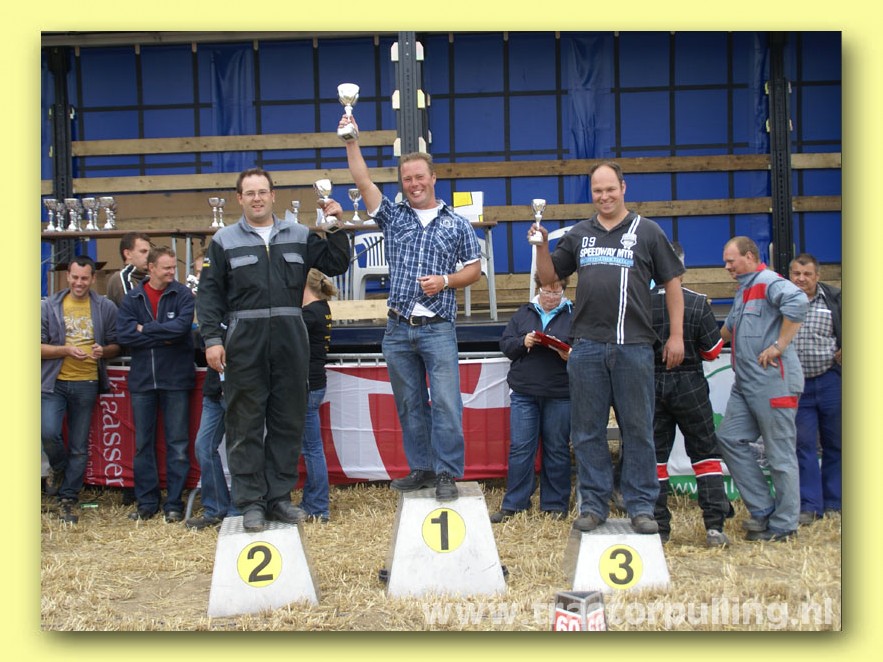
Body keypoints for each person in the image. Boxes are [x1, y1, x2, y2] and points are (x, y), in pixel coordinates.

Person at [534, 161, 685, 535]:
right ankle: (594, 505)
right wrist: (541, 246)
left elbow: (673, 284)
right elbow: (549, 277)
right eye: (597, 191)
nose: (604, 197)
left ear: (623, 188)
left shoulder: (647, 231)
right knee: (587, 432)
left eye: (610, 189)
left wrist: (677, 336)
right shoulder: (580, 233)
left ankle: (641, 506)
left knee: (638, 431)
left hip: (634, 346)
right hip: (586, 347)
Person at [196, 167, 350, 533]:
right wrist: (212, 339)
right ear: (240, 198)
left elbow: (336, 263)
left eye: (262, 192)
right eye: (250, 193)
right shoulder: (224, 241)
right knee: (245, 423)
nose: (257, 198)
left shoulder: (298, 235)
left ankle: (279, 499)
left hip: (290, 339)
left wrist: (334, 224)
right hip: (243, 341)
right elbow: (209, 295)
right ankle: (250, 503)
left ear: (273, 195)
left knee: (287, 421)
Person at [340, 112, 482, 501]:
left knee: (447, 405)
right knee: (409, 405)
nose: (414, 184)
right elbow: (363, 181)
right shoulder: (393, 215)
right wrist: (351, 141)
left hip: (438, 327)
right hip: (398, 328)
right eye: (407, 179)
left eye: (420, 177)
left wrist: (446, 281)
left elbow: (474, 270)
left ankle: (447, 473)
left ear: (433, 178)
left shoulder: (457, 223)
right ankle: (421, 468)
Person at [716, 236, 808, 542]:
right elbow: (727, 331)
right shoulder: (744, 290)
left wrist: (779, 345)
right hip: (746, 383)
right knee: (729, 438)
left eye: (731, 261)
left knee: (779, 454)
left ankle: (784, 524)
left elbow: (798, 302)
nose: (726, 267)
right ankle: (764, 510)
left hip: (773, 382)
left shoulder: (768, 281)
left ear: (750, 256)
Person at [651, 242, 731, 547]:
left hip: (651, 383)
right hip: (691, 384)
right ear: (682, 268)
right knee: (705, 454)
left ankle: (659, 527)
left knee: (655, 458)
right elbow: (712, 352)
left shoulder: (640, 302)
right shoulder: (697, 302)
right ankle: (714, 526)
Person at [117, 246, 196, 523]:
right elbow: (124, 334)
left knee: (177, 444)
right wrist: (163, 336)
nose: (172, 272)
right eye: (166, 268)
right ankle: (147, 503)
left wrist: (145, 328)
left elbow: (181, 330)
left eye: (173, 267)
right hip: (143, 381)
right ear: (151, 268)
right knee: (143, 444)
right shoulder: (133, 297)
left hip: (176, 380)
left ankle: (174, 503)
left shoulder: (183, 294)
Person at [41, 255, 121, 524]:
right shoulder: (49, 305)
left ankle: (68, 496)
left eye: (84, 278)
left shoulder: (105, 307)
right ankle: (59, 468)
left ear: (93, 279)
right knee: (48, 432)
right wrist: (65, 350)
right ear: (67, 276)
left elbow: (117, 344)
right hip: (54, 381)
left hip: (87, 381)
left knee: (79, 445)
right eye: (75, 277)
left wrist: (103, 351)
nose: (79, 282)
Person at [491, 274, 573, 523]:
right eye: (547, 292)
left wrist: (570, 353)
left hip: (559, 392)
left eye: (556, 293)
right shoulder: (523, 313)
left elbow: (584, 349)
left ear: (564, 291)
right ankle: (515, 504)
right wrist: (523, 341)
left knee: (557, 448)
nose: (551, 297)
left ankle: (555, 505)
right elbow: (506, 345)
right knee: (521, 448)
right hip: (524, 391)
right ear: (538, 289)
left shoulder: (574, 315)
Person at [185, 254, 238, 530]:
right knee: (203, 446)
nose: (200, 278)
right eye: (197, 272)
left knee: (240, 448)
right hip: (214, 387)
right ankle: (217, 507)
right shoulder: (208, 306)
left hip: (238, 387)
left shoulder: (235, 301)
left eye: (204, 271)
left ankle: (240, 509)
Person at [789, 253, 841, 524]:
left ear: (817, 276)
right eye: (796, 274)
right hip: (798, 386)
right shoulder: (782, 301)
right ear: (790, 275)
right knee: (804, 445)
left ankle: (835, 502)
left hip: (830, 379)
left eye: (807, 274)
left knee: (836, 442)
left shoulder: (835, 299)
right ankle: (810, 505)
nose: (801, 279)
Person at [298, 268, 337, 522]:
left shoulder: (307, 315)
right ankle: (314, 502)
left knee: (311, 448)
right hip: (316, 382)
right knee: (312, 447)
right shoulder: (322, 309)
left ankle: (318, 505)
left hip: (307, 385)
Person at [106, 231, 152, 306]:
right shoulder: (120, 278)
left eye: (149, 252)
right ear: (127, 254)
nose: (149, 256)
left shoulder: (149, 277)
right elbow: (135, 309)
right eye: (143, 251)